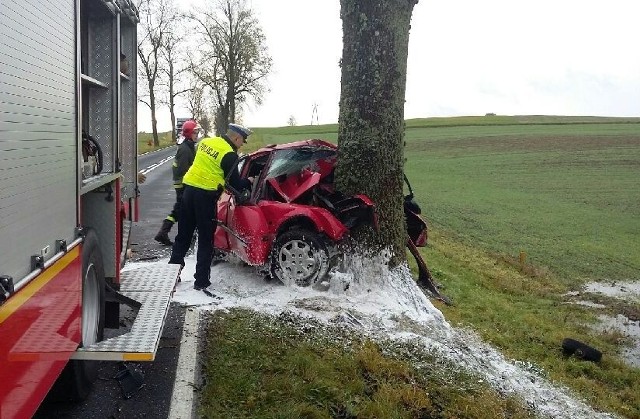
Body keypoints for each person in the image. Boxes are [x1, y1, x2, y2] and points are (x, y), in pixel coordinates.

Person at [169, 123, 253, 292]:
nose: (242, 144)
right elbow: (235, 183)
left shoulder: (206, 142)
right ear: (236, 138)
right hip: (205, 198)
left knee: (183, 236)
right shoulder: (229, 155)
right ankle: (201, 281)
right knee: (206, 239)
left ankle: (170, 276)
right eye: (242, 140)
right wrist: (249, 182)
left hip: (188, 192)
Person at [154, 120, 200, 245]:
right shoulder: (185, 149)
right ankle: (167, 234)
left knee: (180, 209)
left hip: (184, 183)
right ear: (189, 133)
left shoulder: (189, 146)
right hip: (183, 184)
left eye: (197, 132)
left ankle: (163, 233)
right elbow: (183, 170)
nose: (197, 135)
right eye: (195, 132)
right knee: (183, 210)